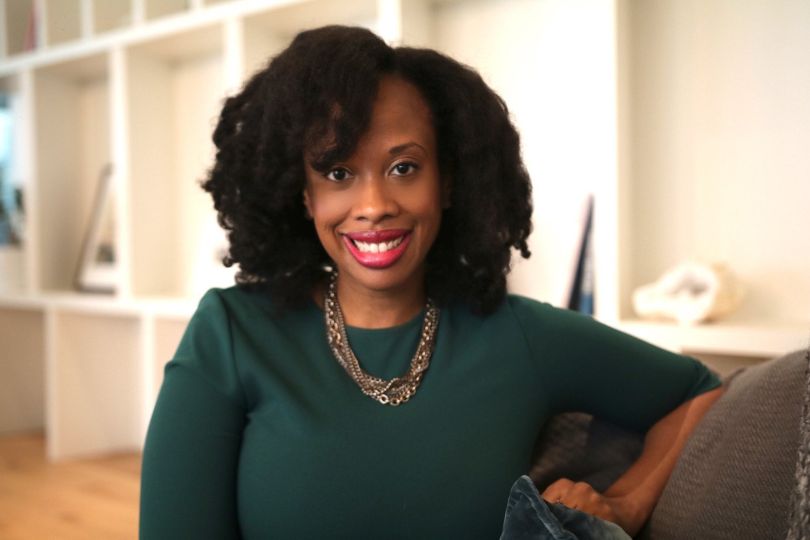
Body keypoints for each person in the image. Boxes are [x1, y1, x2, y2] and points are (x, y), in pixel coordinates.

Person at [139, 25, 722, 539]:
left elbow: (698, 391)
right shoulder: (233, 336)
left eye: (404, 167)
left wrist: (625, 506)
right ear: (305, 194)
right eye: (338, 172)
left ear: (447, 183)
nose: (374, 204)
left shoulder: (519, 337)